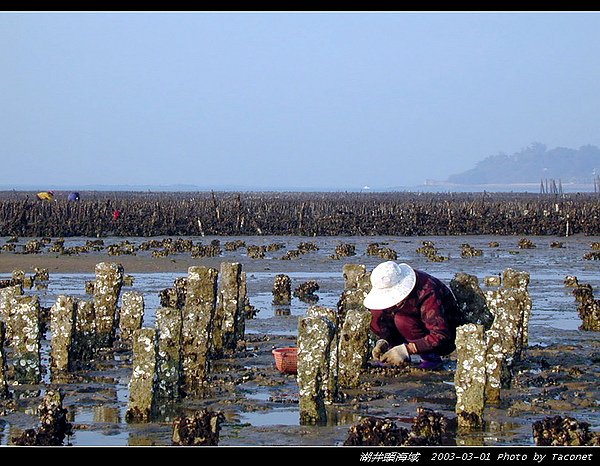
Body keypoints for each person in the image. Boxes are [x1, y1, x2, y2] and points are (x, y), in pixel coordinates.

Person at [363, 261, 459, 370]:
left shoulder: (427, 291)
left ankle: (430, 357)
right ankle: (391, 352)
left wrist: (407, 349)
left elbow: (441, 335)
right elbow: (385, 317)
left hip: (442, 338)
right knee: (377, 314)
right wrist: (384, 340)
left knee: (402, 320)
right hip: (411, 329)